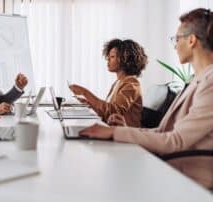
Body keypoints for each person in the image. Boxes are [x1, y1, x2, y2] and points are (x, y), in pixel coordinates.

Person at [80, 8, 213, 190]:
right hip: (170, 165)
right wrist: (125, 130)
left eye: (177, 39)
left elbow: (176, 142)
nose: (174, 45)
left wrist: (114, 133)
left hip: (186, 177)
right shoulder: (197, 80)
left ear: (191, 40)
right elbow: (162, 132)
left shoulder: (210, 84)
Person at [69, 39, 147, 127]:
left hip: (125, 135)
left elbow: (115, 112)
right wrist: (90, 104)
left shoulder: (132, 83)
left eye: (112, 56)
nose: (108, 59)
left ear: (125, 59)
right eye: (108, 56)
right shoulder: (117, 82)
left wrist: (85, 93)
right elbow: (107, 113)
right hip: (113, 130)